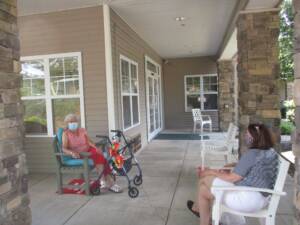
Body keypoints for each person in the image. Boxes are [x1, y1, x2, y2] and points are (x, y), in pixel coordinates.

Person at [187, 123, 278, 225]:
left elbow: (232, 178)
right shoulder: (270, 152)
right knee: (204, 190)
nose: (245, 137)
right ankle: (203, 219)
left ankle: (197, 208)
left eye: (248, 135)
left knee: (206, 178)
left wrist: (211, 171)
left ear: (255, 137)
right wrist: (233, 166)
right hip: (260, 198)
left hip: (247, 200)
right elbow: (253, 168)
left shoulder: (253, 153)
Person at [62, 114, 122, 193]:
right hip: (80, 154)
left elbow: (88, 141)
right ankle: (109, 182)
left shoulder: (82, 130)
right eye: (71, 122)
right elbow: (64, 148)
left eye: (75, 121)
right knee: (100, 157)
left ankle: (104, 181)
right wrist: (72, 152)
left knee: (99, 155)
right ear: (67, 123)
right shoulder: (66, 134)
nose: (73, 123)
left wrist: (96, 148)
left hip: (89, 149)